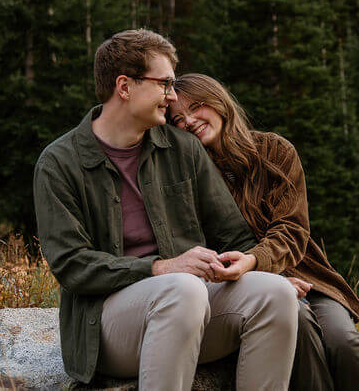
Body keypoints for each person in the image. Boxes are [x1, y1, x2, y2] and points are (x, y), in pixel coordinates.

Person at [33, 30, 299, 390]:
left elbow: (233, 234)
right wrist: (162, 268)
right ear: (125, 87)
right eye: (165, 84)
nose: (172, 97)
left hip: (191, 310)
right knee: (182, 289)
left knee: (274, 294)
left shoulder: (183, 149)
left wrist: (258, 269)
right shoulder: (60, 162)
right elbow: (72, 265)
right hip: (108, 331)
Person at [168, 73, 359, 391]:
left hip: (310, 280)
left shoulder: (274, 152)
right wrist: (271, 280)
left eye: (197, 106)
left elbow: (292, 229)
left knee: (345, 344)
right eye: (178, 120)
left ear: (219, 102)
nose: (190, 121)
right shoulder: (186, 179)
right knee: (301, 327)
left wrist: (258, 261)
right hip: (244, 288)